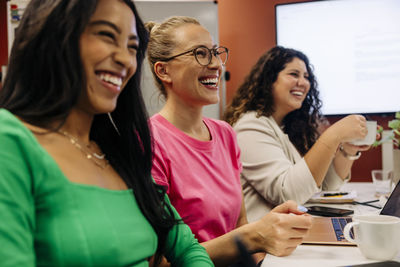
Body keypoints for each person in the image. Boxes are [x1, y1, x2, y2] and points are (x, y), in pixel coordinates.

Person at [0, 1, 213, 266]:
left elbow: (189, 250)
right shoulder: (9, 139)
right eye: (106, 35)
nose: (126, 59)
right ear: (53, 37)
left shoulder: (120, 150)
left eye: (132, 47)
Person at [145, 17, 313, 266]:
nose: (215, 64)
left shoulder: (225, 134)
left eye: (215, 53)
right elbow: (156, 261)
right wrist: (253, 236)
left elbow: (239, 225)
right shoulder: (149, 141)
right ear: (163, 70)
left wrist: (263, 240)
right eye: (200, 53)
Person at [224, 46, 371, 222]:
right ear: (269, 79)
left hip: (289, 231)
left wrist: (348, 150)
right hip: (265, 242)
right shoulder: (250, 126)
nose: (303, 82)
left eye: (306, 77)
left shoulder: (289, 128)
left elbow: (327, 186)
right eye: (294, 74)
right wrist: (334, 135)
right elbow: (288, 194)